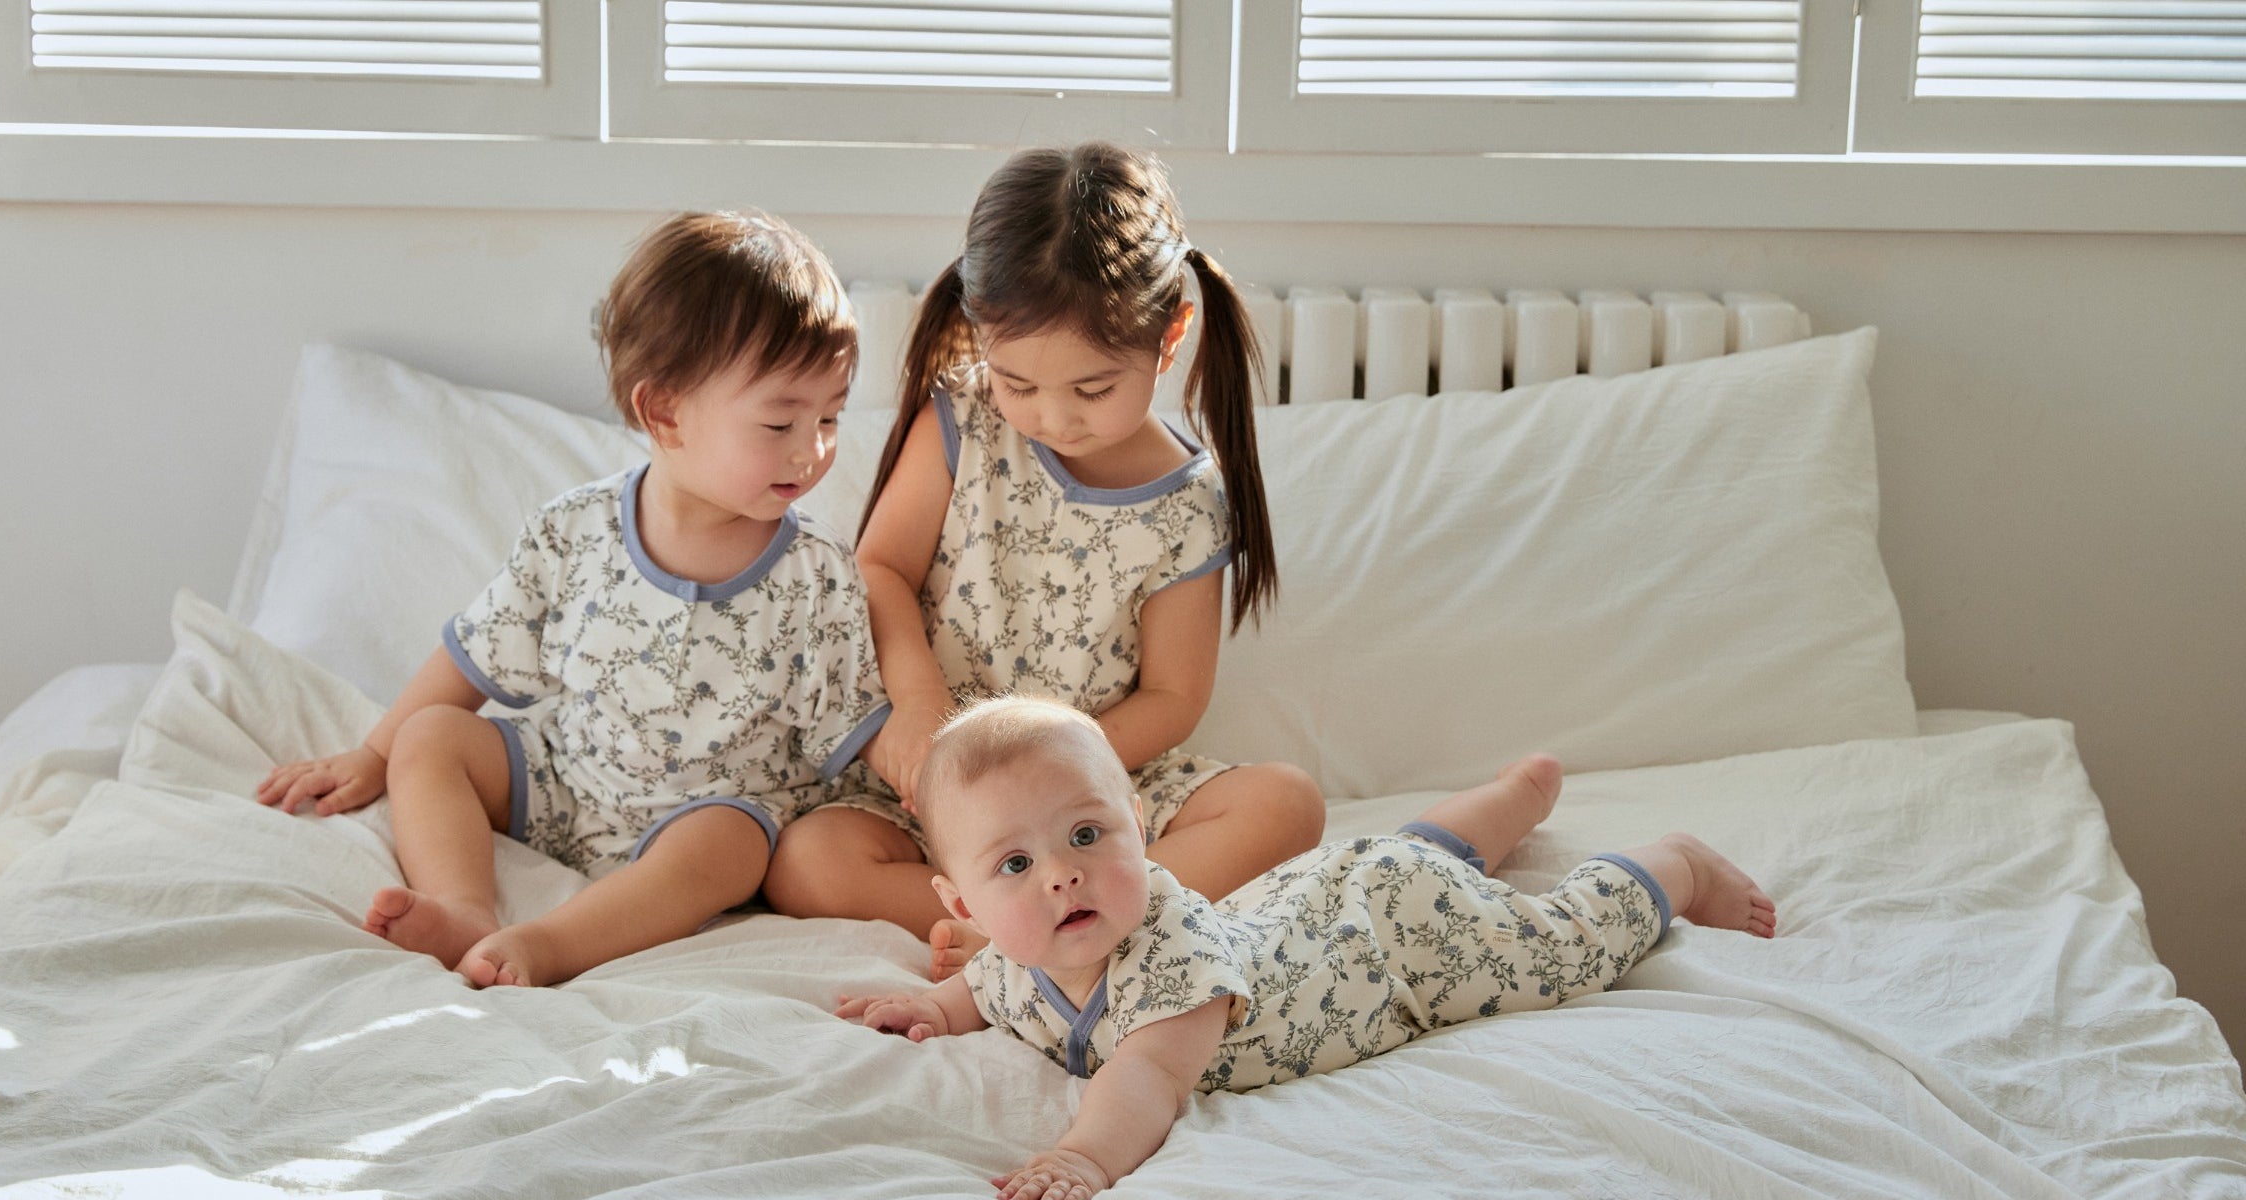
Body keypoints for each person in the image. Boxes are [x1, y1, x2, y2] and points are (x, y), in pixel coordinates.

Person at [254, 211, 891, 989]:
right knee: (431, 736)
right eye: (780, 420)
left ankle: (553, 943)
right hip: (569, 779)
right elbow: (477, 654)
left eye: (830, 417)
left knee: (731, 846)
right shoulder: (574, 531)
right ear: (664, 412)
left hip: (712, 812)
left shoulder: (815, 572)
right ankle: (462, 908)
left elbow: (854, 734)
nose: (813, 448)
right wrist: (373, 752)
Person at [838, 697, 1777, 1200]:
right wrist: (931, 1008)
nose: (1061, 877)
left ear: (1136, 823)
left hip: (1398, 953)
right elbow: (990, 990)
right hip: (1329, 897)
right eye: (1015, 863)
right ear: (960, 901)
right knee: (1406, 860)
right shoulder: (1015, 953)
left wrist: (1081, 1162)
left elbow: (1146, 1084)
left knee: (1548, 955)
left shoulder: (1173, 963)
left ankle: (1671, 869)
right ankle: (1512, 803)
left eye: (1088, 835)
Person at [764, 142, 1326, 979]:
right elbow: (879, 570)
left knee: (1288, 806)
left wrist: (1057, 771)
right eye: (1018, 382)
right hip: (939, 784)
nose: (1052, 417)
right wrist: (919, 715)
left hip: (1084, 804)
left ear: (1170, 335)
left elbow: (1174, 696)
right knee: (804, 859)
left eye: (1092, 389)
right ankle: (1019, 918)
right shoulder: (963, 421)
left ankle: (1026, 926)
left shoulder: (1186, 506)